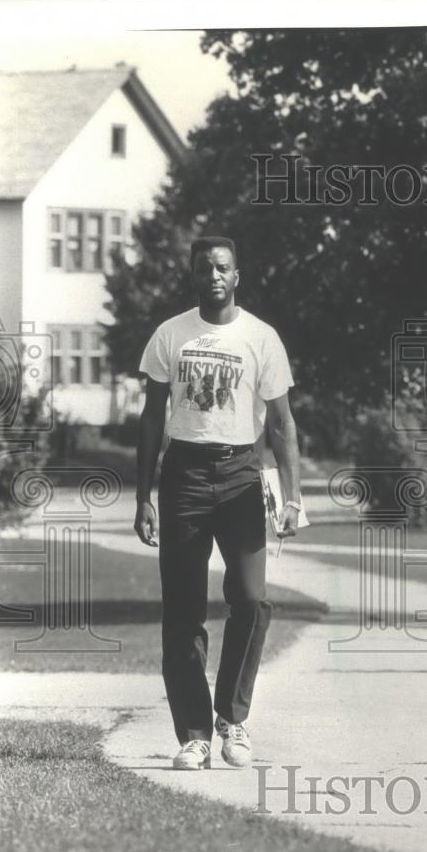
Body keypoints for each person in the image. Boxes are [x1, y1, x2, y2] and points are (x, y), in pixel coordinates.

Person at [134, 236, 301, 771]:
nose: (213, 275)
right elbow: (151, 420)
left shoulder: (261, 337)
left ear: (237, 276)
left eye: (222, 267)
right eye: (204, 267)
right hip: (183, 474)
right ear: (192, 274)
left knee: (251, 598)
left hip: (241, 474)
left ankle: (233, 719)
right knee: (183, 609)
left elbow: (281, 422)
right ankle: (194, 734)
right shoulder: (170, 335)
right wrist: (142, 496)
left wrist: (292, 496)